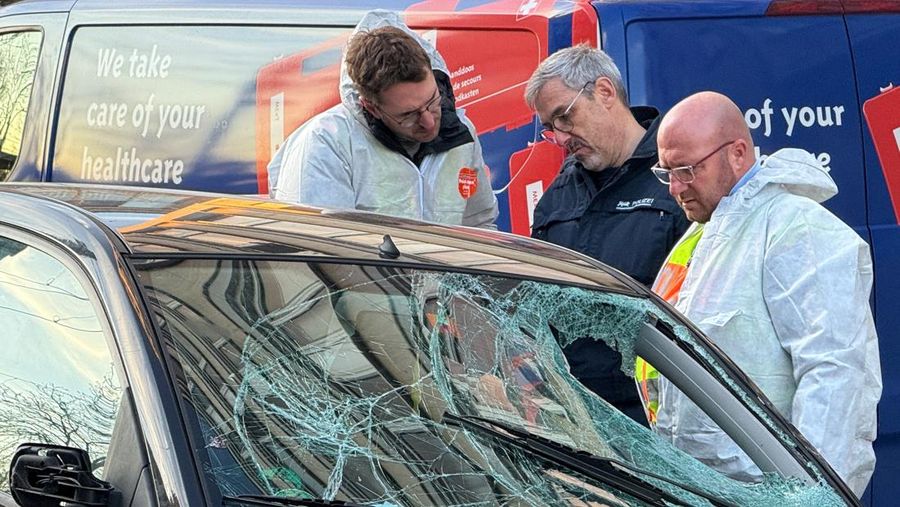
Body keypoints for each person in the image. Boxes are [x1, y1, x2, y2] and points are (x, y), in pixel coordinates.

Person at [651, 91, 882, 497]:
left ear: (738, 153)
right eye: (666, 171)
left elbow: (834, 375)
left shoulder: (797, 229)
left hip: (769, 492)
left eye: (686, 169)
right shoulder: (707, 233)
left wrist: (809, 497)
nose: (675, 187)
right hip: (709, 489)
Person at [523, 45, 690, 425]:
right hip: (579, 419)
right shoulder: (558, 195)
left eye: (565, 116)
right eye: (551, 128)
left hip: (657, 417)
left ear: (605, 91)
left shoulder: (676, 178)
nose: (562, 137)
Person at [268, 10, 498, 228]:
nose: (428, 121)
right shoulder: (328, 143)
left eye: (432, 101)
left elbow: (480, 227)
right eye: (407, 115)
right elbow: (323, 251)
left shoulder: (460, 132)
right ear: (371, 107)